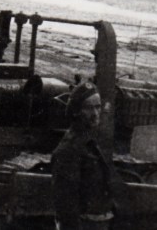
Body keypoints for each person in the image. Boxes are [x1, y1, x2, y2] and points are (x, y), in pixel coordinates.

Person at [51, 82, 115, 230]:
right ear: (76, 111)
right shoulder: (69, 149)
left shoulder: (89, 143)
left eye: (98, 107)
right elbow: (66, 207)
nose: (95, 113)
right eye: (89, 108)